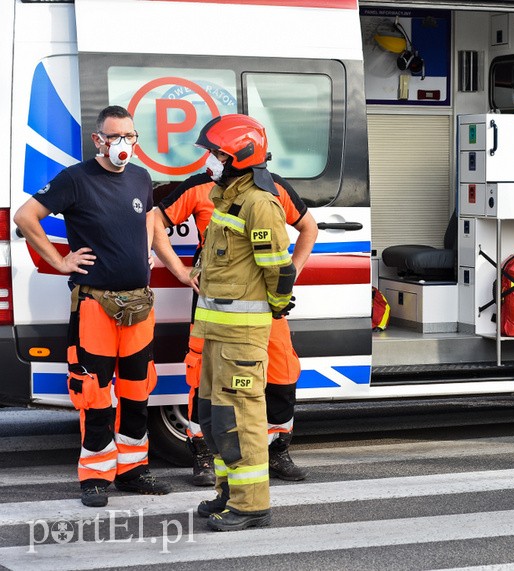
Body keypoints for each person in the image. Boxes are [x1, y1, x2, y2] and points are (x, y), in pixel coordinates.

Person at [13, 105, 171, 507]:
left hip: (138, 306)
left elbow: (150, 217)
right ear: (98, 139)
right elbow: (26, 216)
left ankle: (133, 470)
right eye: (115, 136)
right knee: (95, 392)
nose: (124, 145)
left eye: (130, 136)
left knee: (138, 391)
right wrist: (59, 260)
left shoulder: (140, 176)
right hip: (94, 307)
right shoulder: (76, 179)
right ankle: (96, 476)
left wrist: (151, 250)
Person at [152, 167, 317, 486]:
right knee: (205, 375)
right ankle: (203, 453)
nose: (213, 158)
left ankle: (277, 450)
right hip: (216, 302)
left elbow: (308, 227)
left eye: (219, 150)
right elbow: (154, 221)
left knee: (281, 372)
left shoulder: (273, 187)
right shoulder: (201, 186)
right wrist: (182, 272)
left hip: (268, 300)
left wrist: (290, 275)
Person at [188, 114, 296, 531]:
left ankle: (251, 504)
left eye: (214, 153)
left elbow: (279, 270)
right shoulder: (227, 197)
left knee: (242, 420)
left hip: (242, 338)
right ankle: (227, 493)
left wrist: (276, 304)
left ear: (239, 155)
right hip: (216, 335)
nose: (209, 160)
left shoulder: (259, 203)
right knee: (216, 419)